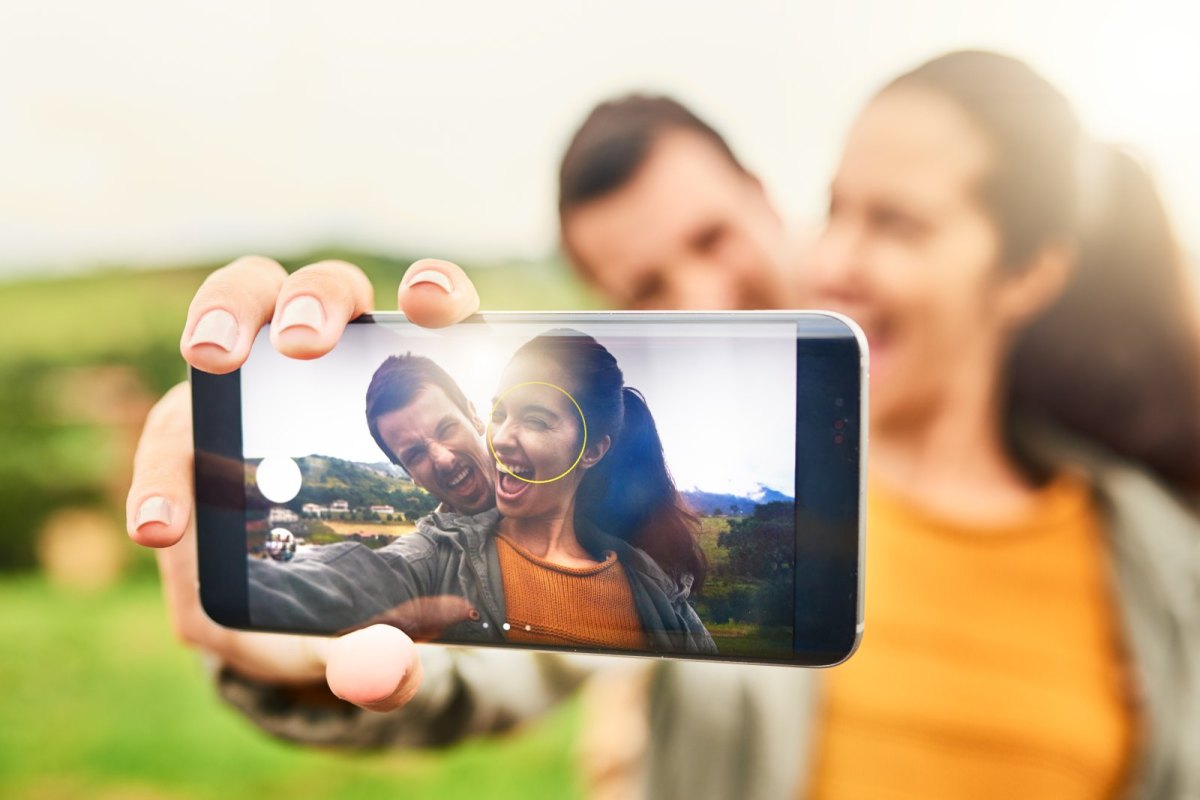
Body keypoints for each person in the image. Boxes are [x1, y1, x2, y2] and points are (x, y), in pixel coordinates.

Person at [127, 55, 1200, 799]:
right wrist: (282, 647)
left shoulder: (1154, 543)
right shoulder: (629, 523)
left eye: (898, 220)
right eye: (645, 287)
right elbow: (498, 645)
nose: (706, 292)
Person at [249, 338, 715, 650]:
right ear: (406, 472)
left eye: (447, 428)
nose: (444, 459)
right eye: (414, 453)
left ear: (472, 415)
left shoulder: (638, 570)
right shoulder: (436, 556)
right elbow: (352, 577)